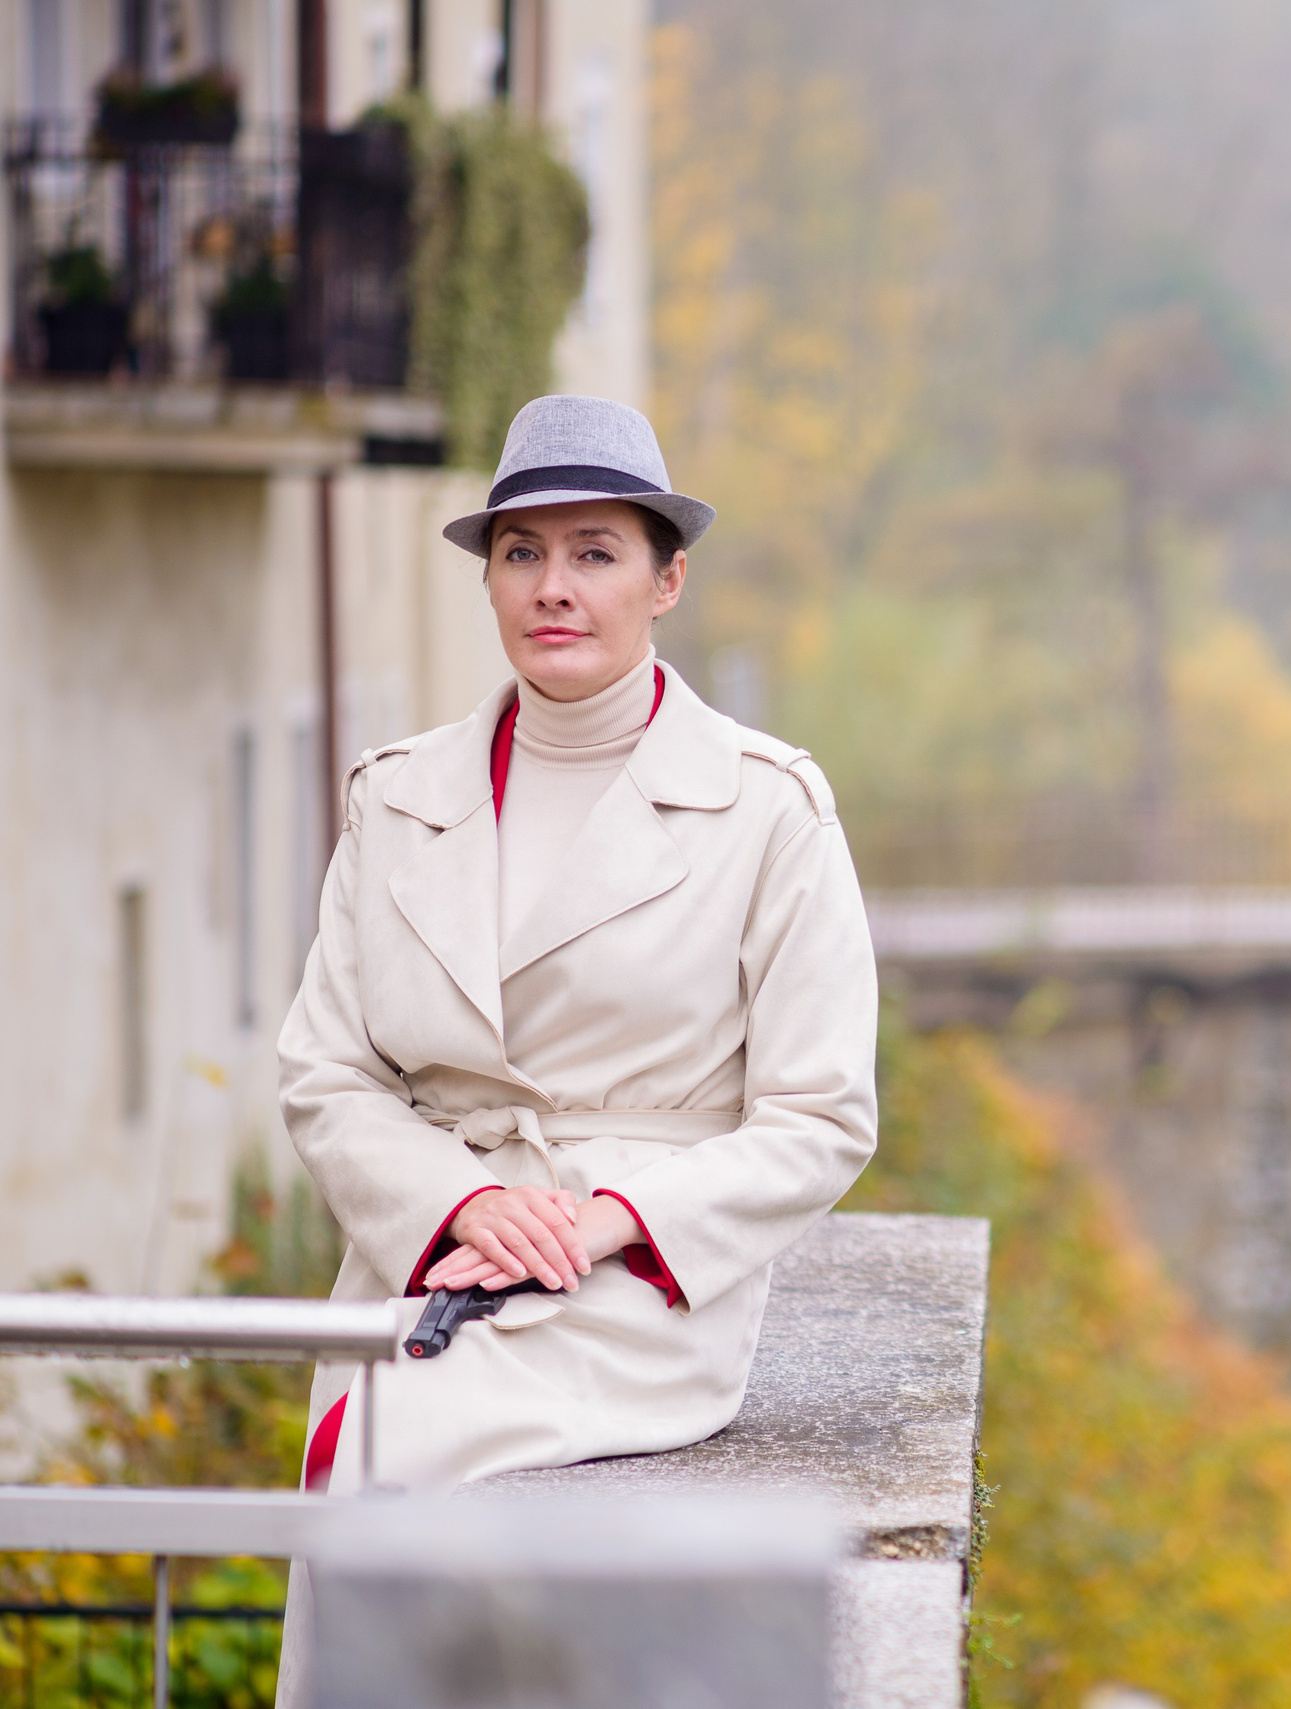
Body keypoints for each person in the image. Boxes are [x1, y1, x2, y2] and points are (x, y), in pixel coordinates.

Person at [271, 396, 877, 1700]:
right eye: (522, 552)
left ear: (667, 579)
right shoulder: (396, 796)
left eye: (596, 552)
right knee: (375, 1468)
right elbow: (326, 1070)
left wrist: (600, 1221)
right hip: (427, 1253)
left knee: (407, 1471)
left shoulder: (769, 807)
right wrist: (472, 1202)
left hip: (637, 1284)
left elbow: (823, 1113)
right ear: (489, 575)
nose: (555, 588)